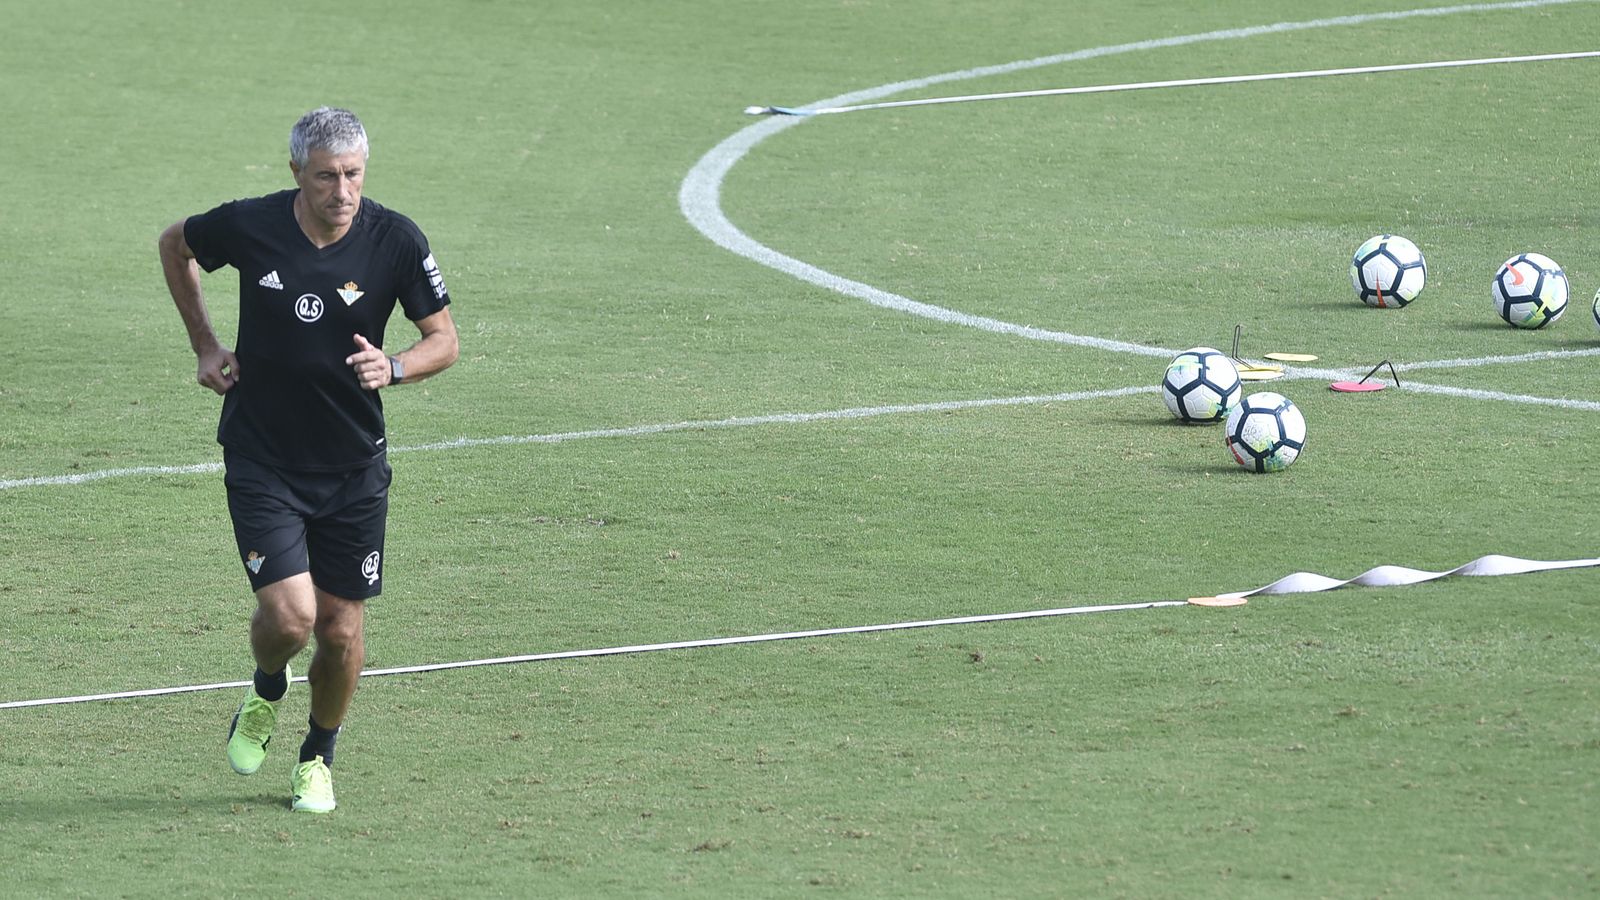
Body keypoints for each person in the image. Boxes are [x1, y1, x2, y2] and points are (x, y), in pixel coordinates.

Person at [157, 107, 458, 813]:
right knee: (292, 620)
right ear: (296, 173)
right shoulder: (251, 224)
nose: (342, 191)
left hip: (353, 468)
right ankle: (265, 692)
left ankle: (317, 757)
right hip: (263, 458)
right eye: (326, 176)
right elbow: (176, 246)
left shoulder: (395, 240)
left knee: (341, 629)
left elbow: (444, 338)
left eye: (353, 174)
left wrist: (399, 366)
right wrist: (204, 343)